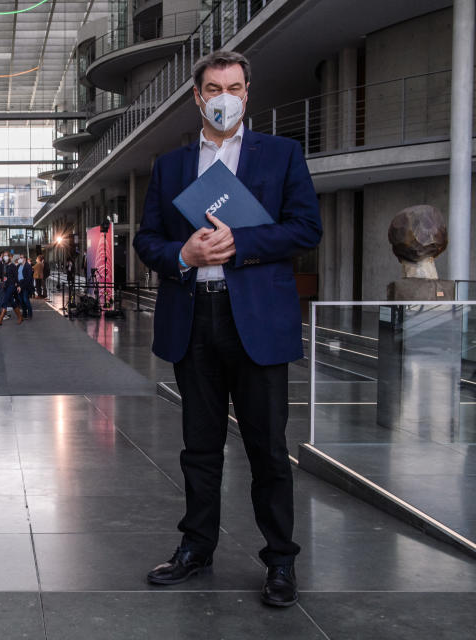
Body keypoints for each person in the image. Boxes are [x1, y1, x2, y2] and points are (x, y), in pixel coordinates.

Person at [133, 51, 321, 607]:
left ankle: (281, 561)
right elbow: (147, 240)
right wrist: (183, 253)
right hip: (195, 316)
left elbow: (305, 227)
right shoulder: (170, 166)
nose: (223, 97)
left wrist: (241, 243)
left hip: (257, 320)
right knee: (199, 447)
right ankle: (196, 548)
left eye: (234, 87)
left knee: (267, 449)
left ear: (247, 94)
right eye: (213, 87)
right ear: (197, 96)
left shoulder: (282, 154)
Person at [0, 255, 22, 326]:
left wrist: (18, 285)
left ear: (10, 258)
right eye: (4, 256)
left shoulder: (13, 266)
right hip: (5, 285)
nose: (5, 257)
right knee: (12, 302)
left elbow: (16, 277)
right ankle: (20, 317)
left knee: (5, 301)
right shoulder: (5, 266)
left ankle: (0, 319)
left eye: (7, 256)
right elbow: (2, 276)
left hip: (11, 286)